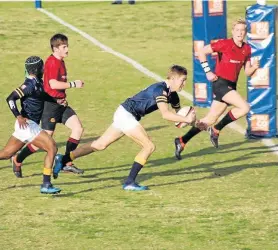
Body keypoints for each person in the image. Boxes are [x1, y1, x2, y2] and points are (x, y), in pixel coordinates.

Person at [54, 65, 195, 191]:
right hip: (126, 115)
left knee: (100, 144)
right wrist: (186, 119)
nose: (184, 83)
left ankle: (63, 159)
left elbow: (177, 118)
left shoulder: (173, 95)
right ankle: (129, 182)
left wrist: (195, 122)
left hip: (124, 113)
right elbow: (165, 114)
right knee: (149, 146)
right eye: (183, 80)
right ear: (174, 78)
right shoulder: (160, 90)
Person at [174, 18, 260, 160]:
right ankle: (216, 129)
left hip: (231, 85)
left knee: (209, 119)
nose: (239, 32)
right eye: (237, 30)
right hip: (220, 83)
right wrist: (208, 71)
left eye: (242, 30)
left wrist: (254, 67)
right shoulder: (224, 44)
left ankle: (182, 141)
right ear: (232, 31)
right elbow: (201, 51)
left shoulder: (247, 49)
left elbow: (247, 72)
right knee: (244, 108)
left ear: (245, 33)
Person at [12, 34, 85, 178]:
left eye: (67, 46)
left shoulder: (61, 61)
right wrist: (73, 84)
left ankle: (66, 163)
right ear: (55, 48)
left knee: (78, 128)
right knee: (45, 142)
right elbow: (52, 84)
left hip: (61, 103)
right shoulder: (52, 63)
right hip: (50, 106)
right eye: (64, 47)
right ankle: (17, 159)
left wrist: (63, 97)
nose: (67, 49)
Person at [0, 56, 62, 194]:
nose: (44, 69)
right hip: (28, 124)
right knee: (52, 148)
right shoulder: (28, 85)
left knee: (6, 154)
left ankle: (46, 183)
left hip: (25, 126)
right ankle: (46, 184)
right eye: (42, 67)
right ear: (37, 69)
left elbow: (41, 95)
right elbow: (10, 98)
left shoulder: (38, 82)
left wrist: (56, 101)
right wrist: (18, 116)